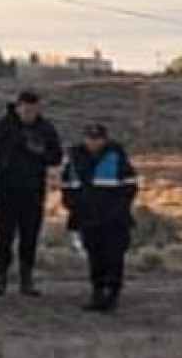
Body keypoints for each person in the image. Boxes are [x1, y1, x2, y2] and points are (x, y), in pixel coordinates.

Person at [0, 90, 65, 295]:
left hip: (33, 191)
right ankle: (0, 280)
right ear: (18, 107)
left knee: (29, 237)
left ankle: (26, 281)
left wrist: (41, 153)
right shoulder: (3, 128)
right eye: (26, 109)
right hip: (6, 191)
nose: (29, 114)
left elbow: (56, 156)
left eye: (33, 110)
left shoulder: (45, 128)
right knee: (4, 236)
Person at [59, 123, 138, 313]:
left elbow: (129, 187)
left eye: (98, 139)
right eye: (90, 138)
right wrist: (74, 208)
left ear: (105, 139)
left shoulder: (117, 158)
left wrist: (116, 211)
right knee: (94, 257)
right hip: (87, 218)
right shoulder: (74, 160)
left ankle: (112, 294)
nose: (94, 142)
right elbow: (67, 187)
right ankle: (97, 293)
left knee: (114, 257)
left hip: (114, 220)